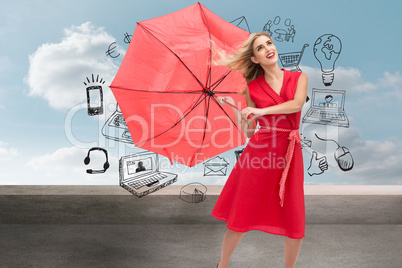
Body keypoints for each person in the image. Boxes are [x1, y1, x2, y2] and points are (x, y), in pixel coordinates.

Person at [211, 31, 308, 268]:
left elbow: (296, 104)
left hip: (289, 151)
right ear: (255, 59)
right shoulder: (251, 88)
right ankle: (222, 265)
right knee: (242, 214)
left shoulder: (299, 78)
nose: (268, 49)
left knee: (294, 216)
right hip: (259, 154)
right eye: (260, 48)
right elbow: (249, 132)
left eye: (269, 43)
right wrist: (236, 108)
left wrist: (262, 112)